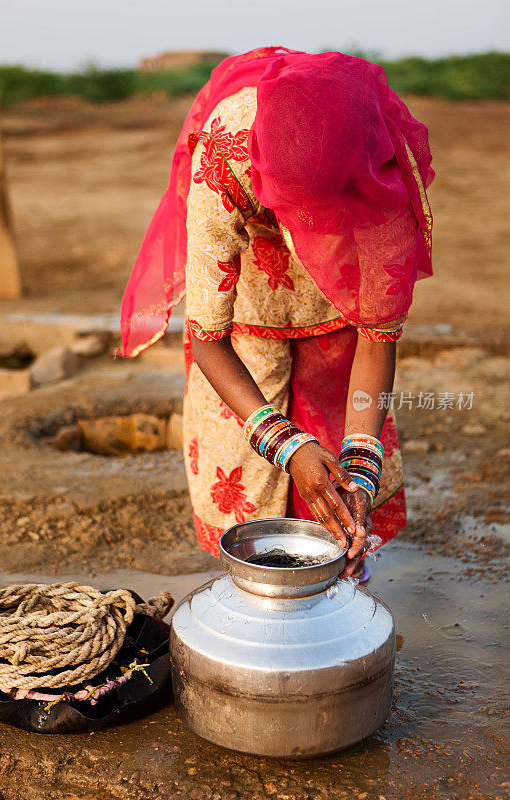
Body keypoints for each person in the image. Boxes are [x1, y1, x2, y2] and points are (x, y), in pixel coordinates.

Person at [119, 47, 434, 581]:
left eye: (320, 219)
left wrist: (360, 469)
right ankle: (257, 581)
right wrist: (284, 444)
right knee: (244, 467)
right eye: (295, 213)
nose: (304, 231)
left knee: (339, 456)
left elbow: (377, 337)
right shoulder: (223, 157)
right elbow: (209, 340)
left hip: (335, 306)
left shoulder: (386, 185)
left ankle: (340, 572)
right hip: (247, 297)